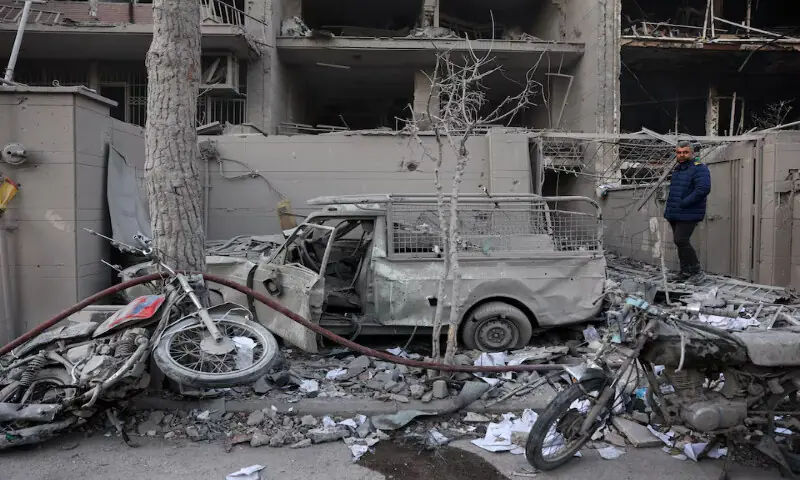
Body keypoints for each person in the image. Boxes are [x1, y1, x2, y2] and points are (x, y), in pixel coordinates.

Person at [663, 140, 711, 282]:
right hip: (675, 212)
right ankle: (685, 272)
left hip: (689, 212)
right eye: (679, 152)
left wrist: (684, 203)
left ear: (692, 153)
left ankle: (697, 271)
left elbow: (703, 189)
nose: (682, 155)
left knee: (681, 240)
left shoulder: (699, 168)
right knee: (679, 242)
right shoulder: (678, 169)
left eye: (685, 152)